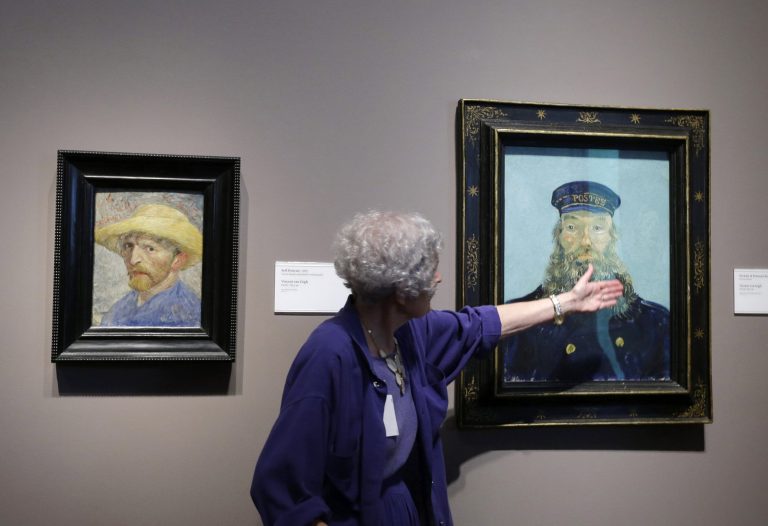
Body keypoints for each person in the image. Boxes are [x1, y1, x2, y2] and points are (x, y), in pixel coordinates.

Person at [250, 210, 623, 526]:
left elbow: (482, 324)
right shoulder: (329, 354)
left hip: (408, 509)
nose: (438, 279)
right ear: (401, 289)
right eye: (430, 272)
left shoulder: (412, 334)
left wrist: (567, 302)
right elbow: (280, 487)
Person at [502, 181, 670, 383]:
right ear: (559, 235)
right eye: (572, 227)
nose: (586, 241)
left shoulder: (654, 323)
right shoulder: (521, 325)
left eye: (597, 228)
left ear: (612, 238)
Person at [94, 203, 203, 327]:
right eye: (128, 246)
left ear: (177, 260)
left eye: (150, 248)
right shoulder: (118, 310)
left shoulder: (190, 316)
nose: (133, 260)